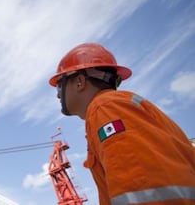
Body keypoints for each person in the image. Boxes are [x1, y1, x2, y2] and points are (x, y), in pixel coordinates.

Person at [48, 43, 195, 205]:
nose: (58, 96)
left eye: (60, 86)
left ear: (79, 82)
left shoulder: (106, 108)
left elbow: (140, 189)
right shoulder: (117, 107)